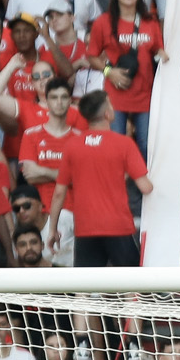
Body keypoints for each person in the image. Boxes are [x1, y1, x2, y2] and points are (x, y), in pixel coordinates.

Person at [46, 90, 152, 266]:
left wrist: (52, 229)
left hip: (85, 228)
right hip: (118, 226)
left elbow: (59, 193)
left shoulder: (72, 146)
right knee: (131, 286)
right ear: (107, 113)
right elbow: (146, 187)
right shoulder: (124, 144)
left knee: (84, 288)